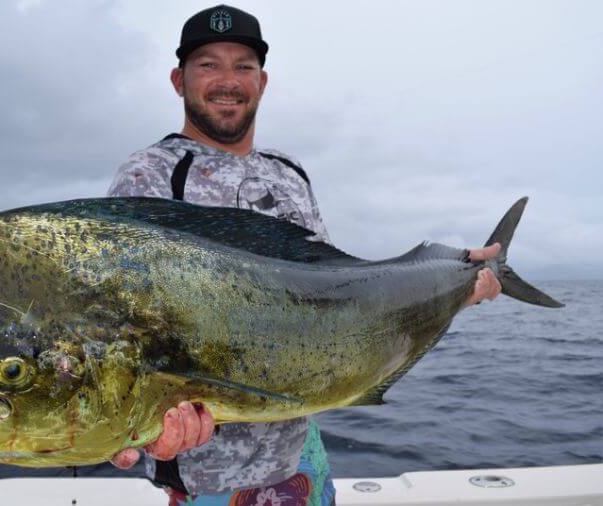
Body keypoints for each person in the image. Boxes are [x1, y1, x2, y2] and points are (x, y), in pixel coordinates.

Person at [105, 5, 502, 505]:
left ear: (263, 82)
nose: (228, 80)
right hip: (212, 481)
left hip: (303, 458)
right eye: (208, 64)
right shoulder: (149, 174)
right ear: (177, 78)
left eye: (243, 66)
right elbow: (120, 328)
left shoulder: (288, 171)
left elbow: (336, 289)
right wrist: (135, 432)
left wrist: (454, 281)